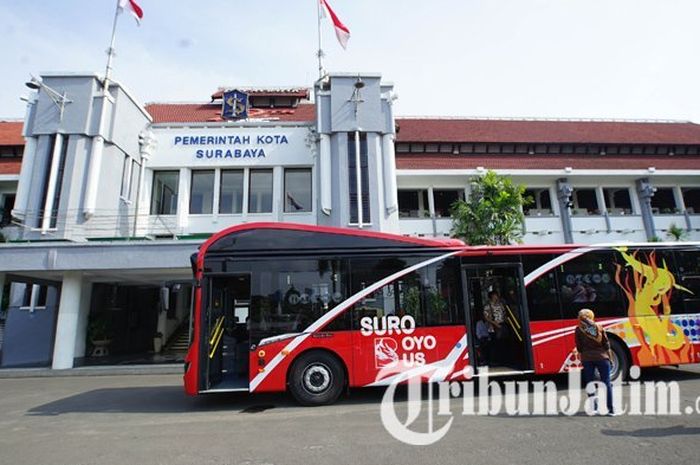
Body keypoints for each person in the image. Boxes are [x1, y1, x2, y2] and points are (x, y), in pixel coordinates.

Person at [574, 308, 615, 415]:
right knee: (606, 382)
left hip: (587, 359)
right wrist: (610, 358)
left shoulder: (578, 330)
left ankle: (594, 408)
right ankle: (610, 410)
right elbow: (606, 344)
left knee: (590, 382)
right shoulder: (599, 327)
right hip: (602, 358)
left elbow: (579, 348)